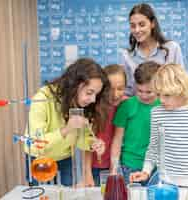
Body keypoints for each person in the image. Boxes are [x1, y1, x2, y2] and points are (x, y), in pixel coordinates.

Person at [25, 58, 109, 186]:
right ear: (74, 85)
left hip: (65, 159)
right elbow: (35, 143)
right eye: (89, 92)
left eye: (96, 94)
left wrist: (92, 144)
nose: (93, 99)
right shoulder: (42, 99)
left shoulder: (79, 102)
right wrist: (66, 129)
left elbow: (81, 139)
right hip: (40, 160)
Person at [110, 61, 161, 184]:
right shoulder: (127, 106)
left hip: (156, 169)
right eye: (139, 90)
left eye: (149, 92)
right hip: (130, 166)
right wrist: (113, 169)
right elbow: (117, 140)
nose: (143, 96)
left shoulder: (164, 106)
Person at [121, 3, 184, 96]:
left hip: (167, 107)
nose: (137, 30)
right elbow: (128, 91)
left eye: (142, 25)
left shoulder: (172, 48)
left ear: (152, 23)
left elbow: (181, 83)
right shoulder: (126, 55)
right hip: (140, 108)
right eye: (133, 26)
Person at [87, 64, 128, 186]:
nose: (115, 94)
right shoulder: (95, 107)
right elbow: (86, 142)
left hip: (114, 167)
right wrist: (87, 173)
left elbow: (118, 139)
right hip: (93, 167)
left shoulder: (126, 104)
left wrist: (114, 169)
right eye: (110, 89)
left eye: (120, 88)